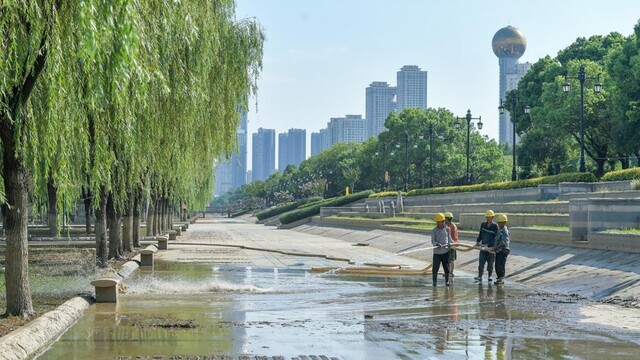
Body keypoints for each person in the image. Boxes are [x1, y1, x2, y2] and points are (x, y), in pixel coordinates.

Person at [475, 210, 498, 282]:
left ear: (493, 217)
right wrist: (478, 241)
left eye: (490, 217)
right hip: (483, 248)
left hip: (491, 249)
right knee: (481, 263)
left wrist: (488, 246)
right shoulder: (483, 225)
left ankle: (489, 276)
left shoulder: (495, 226)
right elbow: (480, 234)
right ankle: (479, 276)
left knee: (490, 264)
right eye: (487, 217)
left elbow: (495, 238)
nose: (488, 219)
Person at [431, 213, 452, 287]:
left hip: (445, 252)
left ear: (443, 221)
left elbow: (449, 239)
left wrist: (451, 244)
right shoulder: (434, 230)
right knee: (435, 268)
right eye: (437, 222)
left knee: (446, 268)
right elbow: (433, 241)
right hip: (437, 253)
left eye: (439, 222)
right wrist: (437, 244)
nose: (438, 223)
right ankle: (434, 282)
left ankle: (447, 281)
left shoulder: (447, 229)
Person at [492, 213, 511, 285]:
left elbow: (503, 242)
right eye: (499, 222)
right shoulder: (499, 230)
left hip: (503, 251)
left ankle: (501, 279)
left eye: (501, 222)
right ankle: (499, 278)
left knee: (500, 264)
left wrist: (495, 247)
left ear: (505, 223)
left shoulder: (504, 231)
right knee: (497, 264)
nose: (499, 224)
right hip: (498, 250)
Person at [444, 211, 459, 278]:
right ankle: (447, 272)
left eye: (445, 218)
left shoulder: (452, 226)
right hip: (448, 244)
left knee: (451, 259)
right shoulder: (447, 225)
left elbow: (452, 237)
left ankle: (451, 272)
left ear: (448, 219)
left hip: (453, 244)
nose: (444, 220)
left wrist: (452, 244)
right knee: (447, 259)